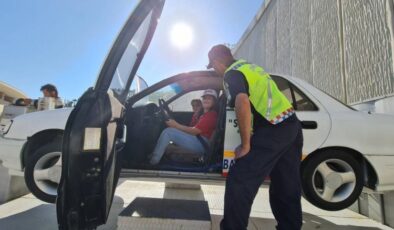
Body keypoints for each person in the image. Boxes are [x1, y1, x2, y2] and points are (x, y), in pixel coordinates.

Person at [207, 44, 303, 230]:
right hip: (291, 124)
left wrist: (245, 145)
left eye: (213, 66)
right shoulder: (251, 67)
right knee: (286, 184)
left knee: (240, 179)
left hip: (273, 127)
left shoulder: (231, 73)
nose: (216, 71)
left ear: (218, 62)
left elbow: (241, 101)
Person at [150, 89, 218, 165]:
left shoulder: (211, 115)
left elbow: (194, 131)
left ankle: (153, 162)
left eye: (209, 98)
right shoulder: (204, 114)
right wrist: (177, 126)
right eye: (205, 98)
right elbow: (193, 128)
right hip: (198, 140)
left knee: (168, 132)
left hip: (201, 144)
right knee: (169, 142)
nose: (206, 100)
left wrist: (175, 125)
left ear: (214, 102)